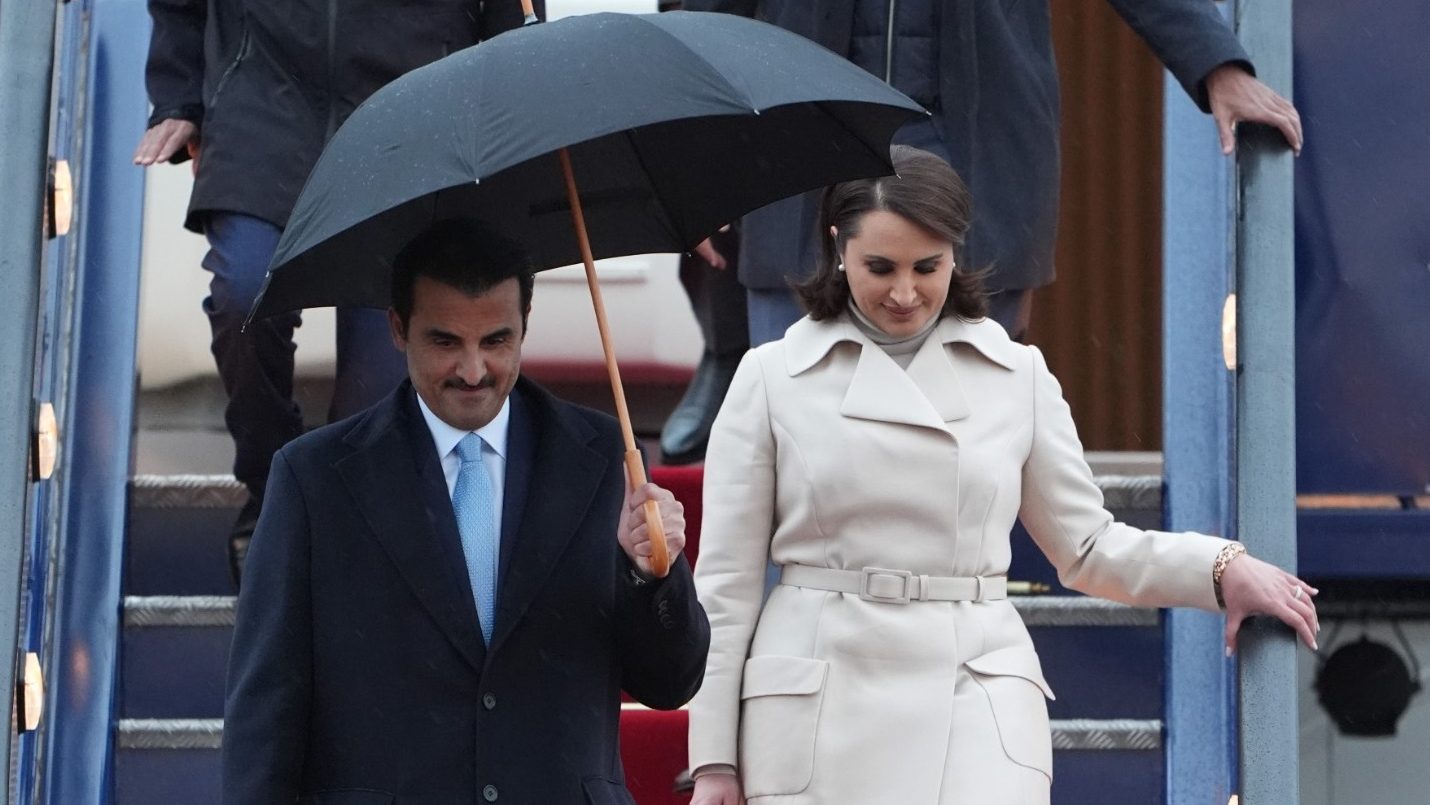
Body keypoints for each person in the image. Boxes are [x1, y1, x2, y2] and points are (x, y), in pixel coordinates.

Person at [685, 147, 1317, 804]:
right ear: (838, 246)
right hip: (818, 703)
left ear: (956, 253)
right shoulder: (770, 377)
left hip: (976, 696)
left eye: (927, 266)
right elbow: (725, 591)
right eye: (881, 267)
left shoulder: (1018, 375)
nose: (905, 292)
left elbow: (1088, 548)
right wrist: (713, 761)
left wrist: (1218, 569)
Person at [222, 221, 710, 804]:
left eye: (497, 341)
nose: (474, 370)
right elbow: (266, 712)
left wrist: (653, 575)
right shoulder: (314, 478)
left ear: (526, 323)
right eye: (446, 341)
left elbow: (669, 682)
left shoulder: (603, 458)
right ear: (399, 329)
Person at [135, 0, 535, 583]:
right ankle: (271, 491)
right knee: (243, 295)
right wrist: (181, 98)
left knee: (384, 368)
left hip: (413, 108)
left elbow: (514, 16)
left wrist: (506, 125)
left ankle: (337, 517)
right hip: (260, 101)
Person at [686, 0, 1304, 345]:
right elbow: (710, 10)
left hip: (978, 146)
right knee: (789, 431)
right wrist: (700, 154)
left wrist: (1221, 68)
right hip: (800, 151)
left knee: (965, 442)